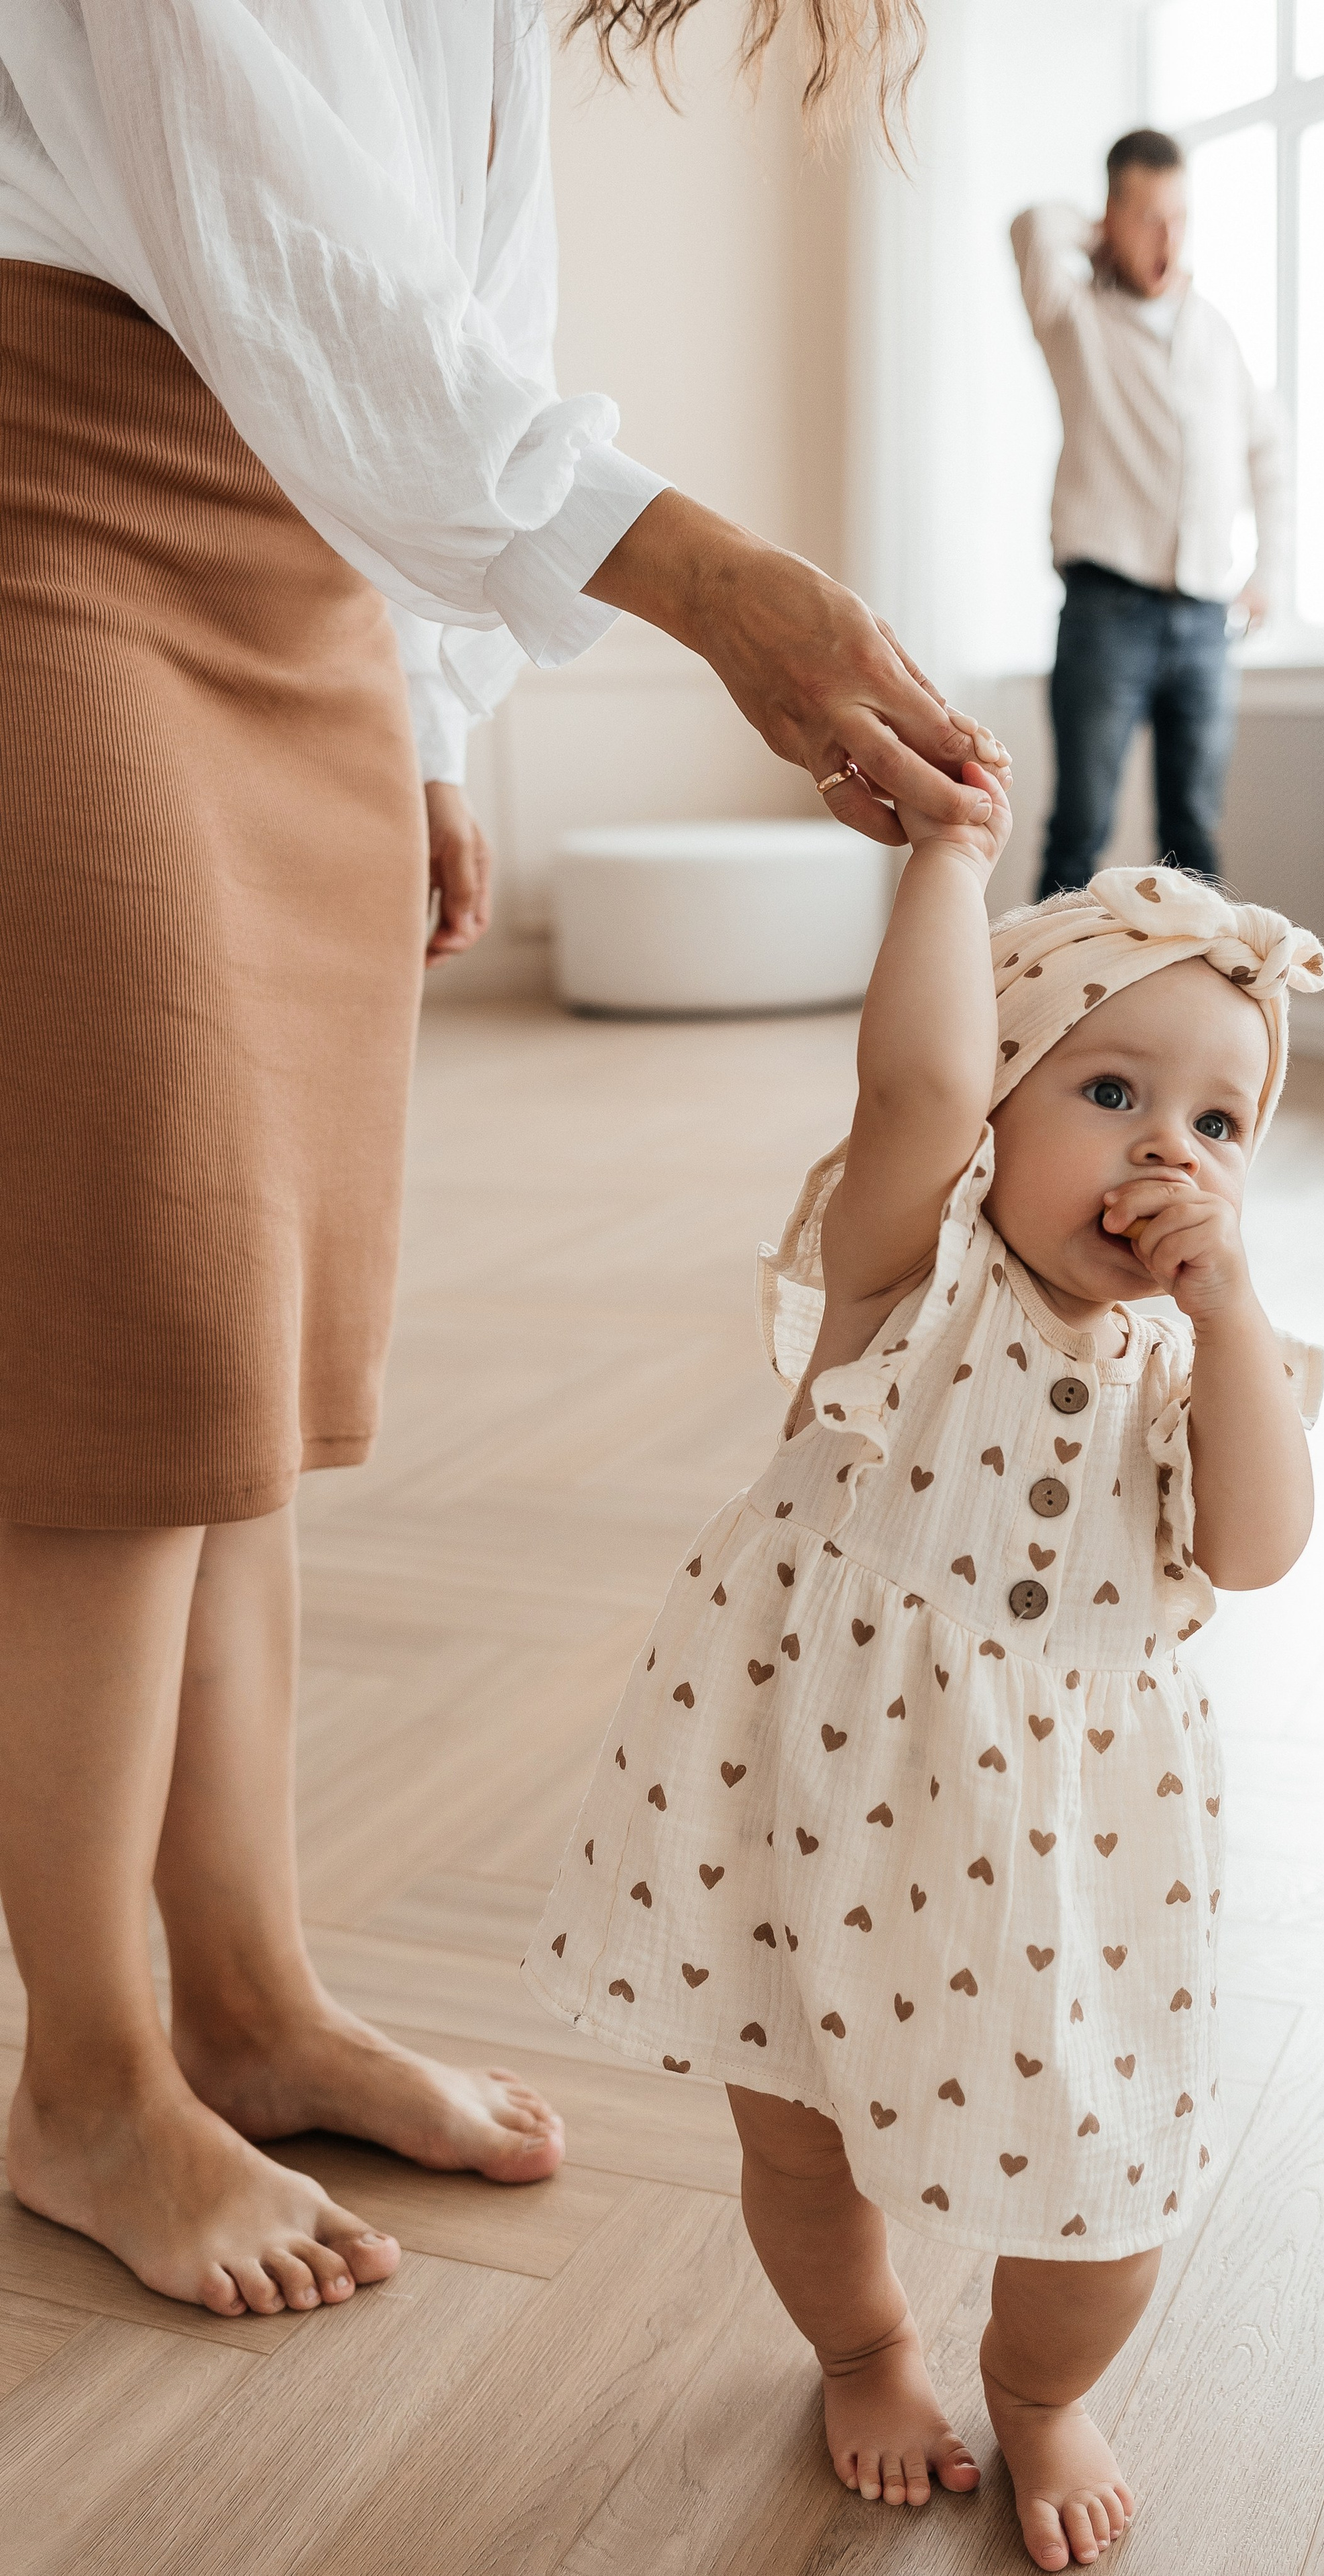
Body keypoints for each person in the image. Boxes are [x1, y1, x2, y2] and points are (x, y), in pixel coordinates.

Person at [0, 0, 999, 2324]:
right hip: (53, 485)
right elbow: (264, 239)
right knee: (133, 1312)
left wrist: (441, 709)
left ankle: (242, 1997)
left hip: (319, 559)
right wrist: (715, 579)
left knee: (253, 1336)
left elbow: (461, 295)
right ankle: (86, 2070)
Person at [525, 788, 1324, 2567]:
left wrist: (1236, 1318)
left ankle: (1042, 2392)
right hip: (816, 1792)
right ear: (1001, 1099)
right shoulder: (912, 1284)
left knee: (1111, 2177)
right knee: (797, 2133)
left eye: (1220, 1121)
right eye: (1107, 1092)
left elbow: (1259, 1549)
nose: (1163, 1154)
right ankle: (864, 2346)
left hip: (1078, 1857)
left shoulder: (1198, 1366)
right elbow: (907, 1088)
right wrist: (949, 868)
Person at [1013, 128, 1286, 897]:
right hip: (1106, 610)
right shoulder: (1072, 316)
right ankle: (1041, 1018)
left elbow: (1269, 452)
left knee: (1193, 835)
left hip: (1205, 620)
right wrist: (1097, 232)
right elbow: (1031, 224)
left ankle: (1202, 1018)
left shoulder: (1215, 333)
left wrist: (1269, 570)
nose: (1169, 237)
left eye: (1180, 217)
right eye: (1148, 216)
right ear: (1111, 216)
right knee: (1079, 829)